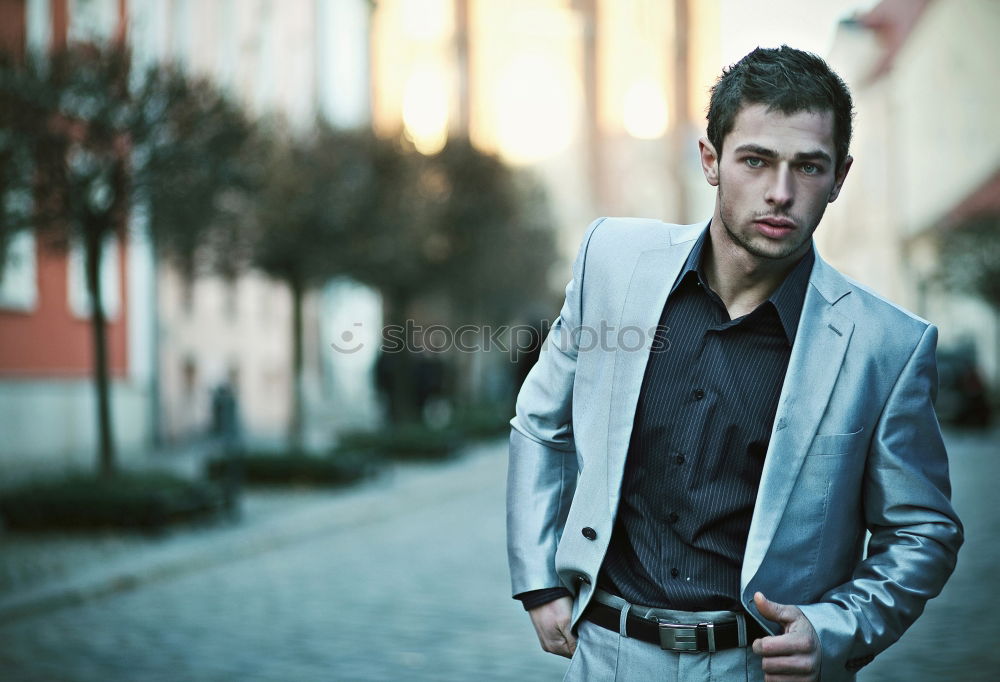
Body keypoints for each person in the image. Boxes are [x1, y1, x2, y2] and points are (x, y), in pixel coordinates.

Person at [506, 46, 963, 682]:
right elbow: (541, 421)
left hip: (763, 667)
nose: (780, 193)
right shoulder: (611, 262)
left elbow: (921, 532)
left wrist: (838, 629)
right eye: (756, 160)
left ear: (839, 177)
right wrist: (538, 580)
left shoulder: (884, 346)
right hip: (609, 653)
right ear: (712, 160)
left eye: (808, 166)